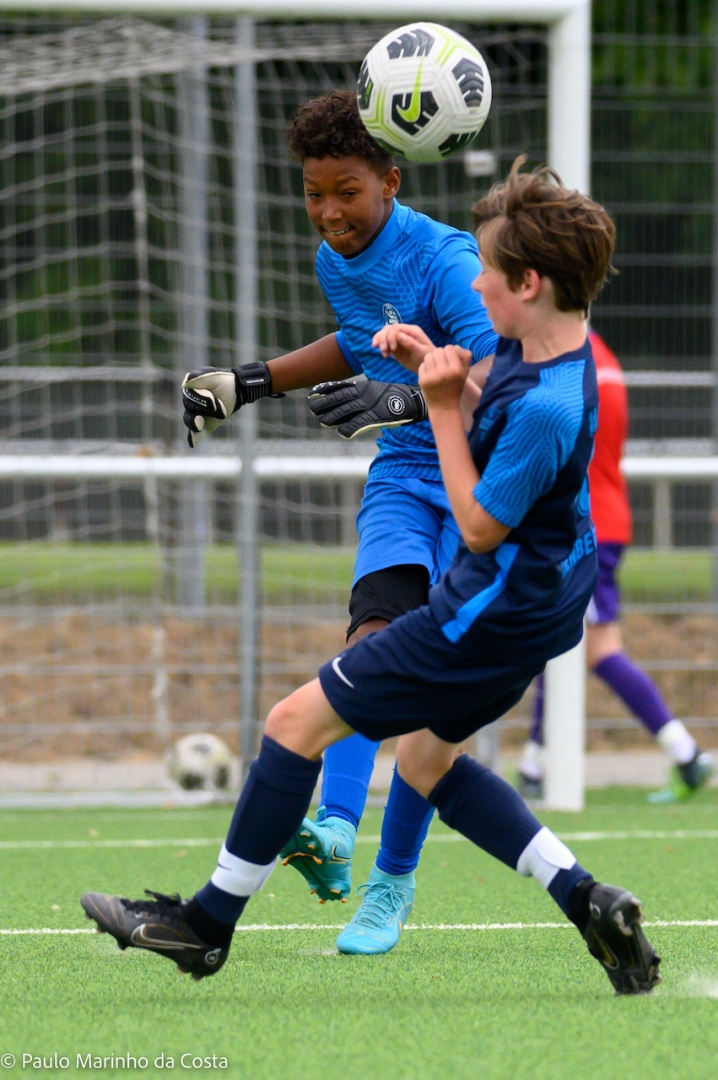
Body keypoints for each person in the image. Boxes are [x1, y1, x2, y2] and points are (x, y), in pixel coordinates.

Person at [81, 158, 661, 997]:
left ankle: (205, 927)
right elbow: (490, 395)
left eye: (489, 273)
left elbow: (477, 524)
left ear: (529, 283)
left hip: (487, 614)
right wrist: (428, 363)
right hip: (539, 604)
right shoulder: (550, 351)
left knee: (292, 724)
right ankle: (589, 901)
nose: (477, 286)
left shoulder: (549, 406)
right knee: (425, 762)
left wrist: (437, 406)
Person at [180, 89, 498, 956]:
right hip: (403, 478)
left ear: (392, 180)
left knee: (433, 712)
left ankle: (392, 882)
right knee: (371, 642)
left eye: (347, 192)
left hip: (481, 489)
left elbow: (498, 382)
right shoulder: (334, 259)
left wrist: (406, 397)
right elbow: (356, 344)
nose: (328, 212)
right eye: (314, 192)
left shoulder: (446, 260)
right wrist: (249, 382)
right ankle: (333, 828)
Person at [517, 331, 714, 803]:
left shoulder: (563, 361)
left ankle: (685, 754)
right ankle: (533, 763)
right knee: (560, 643)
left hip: (583, 526)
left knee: (597, 649)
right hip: (603, 519)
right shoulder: (601, 358)